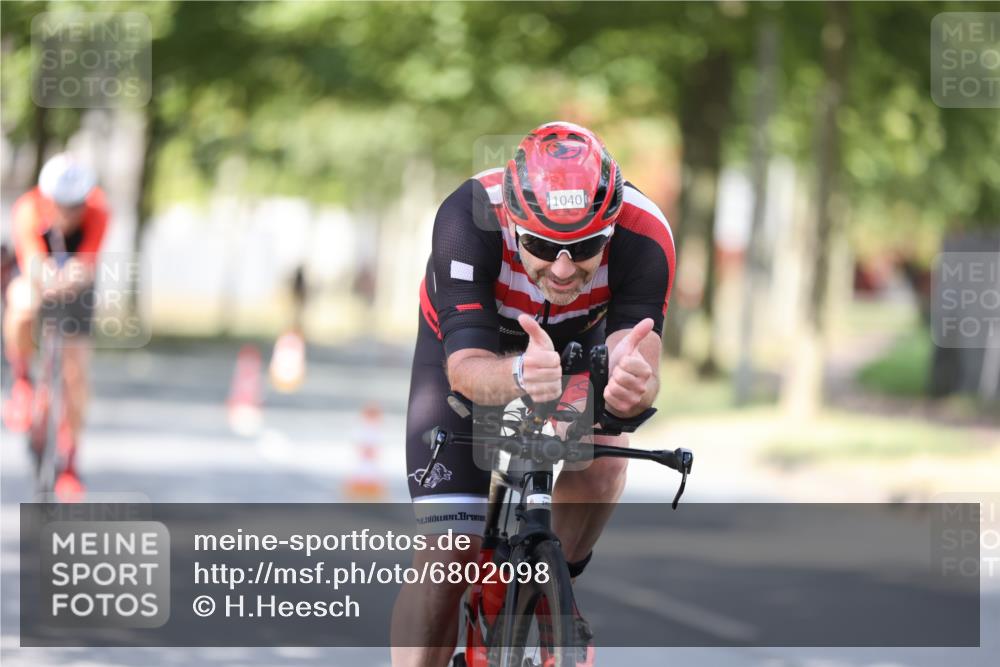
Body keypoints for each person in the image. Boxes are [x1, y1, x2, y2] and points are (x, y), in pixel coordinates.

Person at [391, 122, 676, 666]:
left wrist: (631, 385)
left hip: (575, 342)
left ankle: (547, 594)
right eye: (543, 246)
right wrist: (521, 374)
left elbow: (636, 363)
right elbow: (467, 369)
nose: (564, 268)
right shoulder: (468, 215)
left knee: (603, 467)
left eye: (586, 246)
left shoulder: (645, 234)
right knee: (449, 557)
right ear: (515, 223)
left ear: (610, 229)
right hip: (471, 348)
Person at [3, 153, 109, 502]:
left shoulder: (99, 209)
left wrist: (72, 278)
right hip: (37, 273)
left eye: (77, 205)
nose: (70, 213)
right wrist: (47, 280)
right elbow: (32, 260)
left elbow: (88, 259)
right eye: (63, 205)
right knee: (22, 304)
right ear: (48, 199)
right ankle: (21, 378)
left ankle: (70, 463)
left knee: (76, 377)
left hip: (76, 279)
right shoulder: (28, 209)